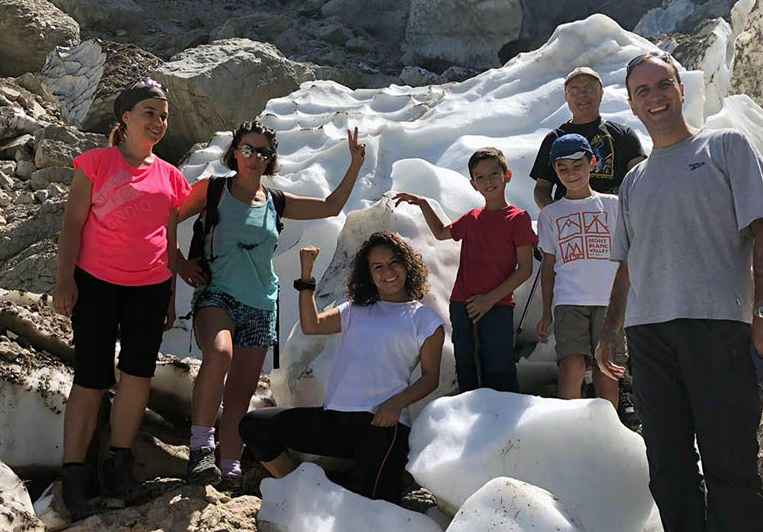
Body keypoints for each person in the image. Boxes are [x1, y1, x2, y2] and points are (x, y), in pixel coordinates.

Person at [596, 51, 763, 532]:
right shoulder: (634, 180)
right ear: (631, 103)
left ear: (682, 89)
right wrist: (610, 328)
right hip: (648, 337)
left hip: (717, 326)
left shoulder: (725, 147)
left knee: (730, 460)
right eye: (642, 91)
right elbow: (627, 261)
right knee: (667, 466)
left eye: (662, 85)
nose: (654, 97)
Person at [174, 121, 366, 486]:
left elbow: (331, 205)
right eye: (247, 149)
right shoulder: (213, 190)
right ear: (234, 152)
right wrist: (180, 263)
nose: (254, 158)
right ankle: (200, 449)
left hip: (261, 304)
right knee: (219, 354)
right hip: (217, 294)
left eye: (263, 152)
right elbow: (166, 217)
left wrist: (355, 164)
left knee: (242, 391)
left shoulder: (275, 201)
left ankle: (229, 466)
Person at [51, 78, 192, 519]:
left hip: (149, 288)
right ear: (125, 117)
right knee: (91, 378)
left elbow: (168, 241)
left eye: (164, 115)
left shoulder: (172, 177)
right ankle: (74, 475)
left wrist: (171, 294)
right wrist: (64, 282)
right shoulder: (94, 163)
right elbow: (72, 226)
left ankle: (118, 467)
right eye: (150, 112)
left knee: (137, 377)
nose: (159, 122)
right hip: (95, 283)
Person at [238, 232, 446, 504]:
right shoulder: (356, 310)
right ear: (369, 275)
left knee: (370, 506)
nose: (388, 272)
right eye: (378, 267)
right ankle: (299, 491)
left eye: (394, 263)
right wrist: (306, 277)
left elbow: (430, 378)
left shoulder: (425, 319)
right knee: (255, 426)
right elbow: (311, 325)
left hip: (382, 427)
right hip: (335, 420)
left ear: (407, 265)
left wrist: (395, 404)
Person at [394, 147, 536, 393]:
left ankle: (502, 423)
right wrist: (423, 204)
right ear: (473, 184)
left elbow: (524, 269)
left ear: (507, 175)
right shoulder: (472, 218)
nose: (488, 181)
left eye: (494, 174)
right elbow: (440, 233)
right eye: (480, 177)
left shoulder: (518, 218)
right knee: (467, 366)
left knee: (498, 367)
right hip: (462, 304)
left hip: (498, 305)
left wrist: (489, 300)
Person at [534, 134, 626, 406]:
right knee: (571, 365)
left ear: (592, 163)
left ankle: (609, 428)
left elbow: (626, 257)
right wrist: (546, 312)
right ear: (555, 172)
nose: (571, 173)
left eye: (577, 165)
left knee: (606, 367)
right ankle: (569, 429)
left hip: (609, 301)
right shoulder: (550, 214)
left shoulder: (613, 205)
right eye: (563, 168)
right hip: (568, 301)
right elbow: (548, 266)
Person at [530, 66, 646, 208]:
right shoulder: (554, 139)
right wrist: (554, 216)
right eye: (575, 90)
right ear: (566, 97)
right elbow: (542, 188)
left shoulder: (623, 135)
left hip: (617, 221)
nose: (582, 95)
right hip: (570, 223)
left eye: (589, 89)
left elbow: (641, 181)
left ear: (601, 94)